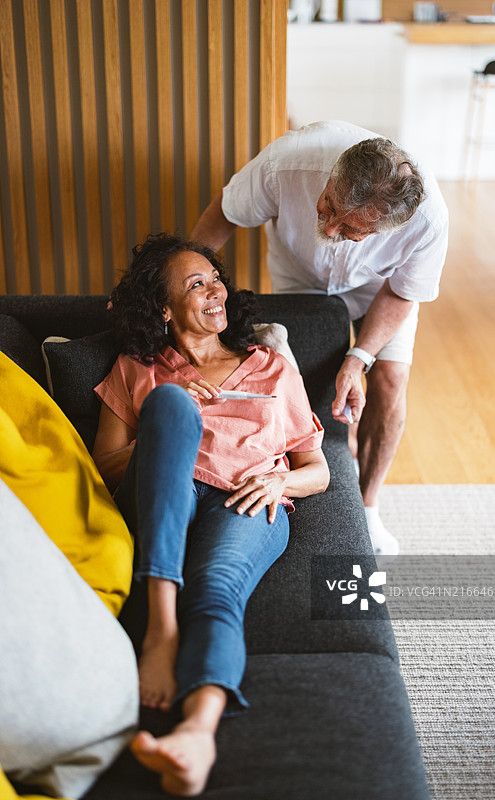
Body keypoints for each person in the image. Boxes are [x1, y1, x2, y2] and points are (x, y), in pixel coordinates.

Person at [92, 233, 329, 796]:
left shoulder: (270, 366)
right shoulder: (138, 366)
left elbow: (317, 467)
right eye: (194, 284)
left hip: (242, 498)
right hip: (165, 492)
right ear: (167, 309)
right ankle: (162, 629)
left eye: (215, 279)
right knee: (170, 404)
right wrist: (161, 422)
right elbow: (104, 468)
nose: (214, 290)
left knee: (218, 588)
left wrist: (280, 479)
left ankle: (198, 732)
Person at [190, 120, 449, 560]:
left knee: (389, 381)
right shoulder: (286, 163)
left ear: (386, 227)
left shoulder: (428, 222)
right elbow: (225, 214)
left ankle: (367, 506)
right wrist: (183, 287)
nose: (330, 231)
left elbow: (403, 292)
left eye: (351, 230)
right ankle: (316, 463)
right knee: (300, 376)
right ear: (332, 176)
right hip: (300, 274)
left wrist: (360, 356)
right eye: (327, 207)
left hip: (379, 287)